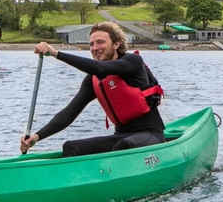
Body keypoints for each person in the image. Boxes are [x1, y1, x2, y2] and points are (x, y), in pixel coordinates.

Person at [20, 21, 165, 158]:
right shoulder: (93, 80)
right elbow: (69, 113)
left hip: (150, 133)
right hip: (121, 136)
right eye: (91, 44)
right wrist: (36, 137)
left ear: (116, 44)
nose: (95, 48)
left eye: (100, 42)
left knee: (124, 146)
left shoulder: (133, 62)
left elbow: (98, 68)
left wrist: (56, 53)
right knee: (71, 147)